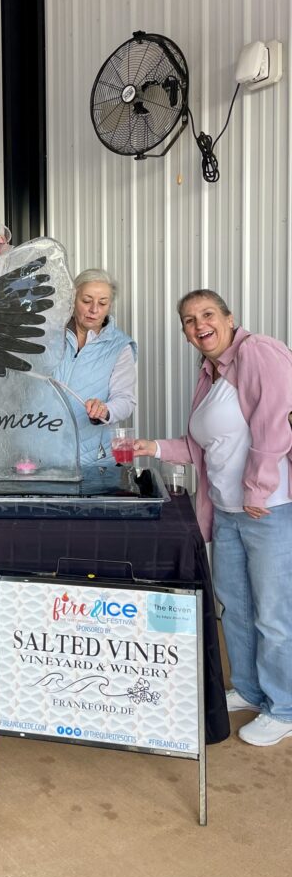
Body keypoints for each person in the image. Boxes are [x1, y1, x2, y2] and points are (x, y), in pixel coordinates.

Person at [133, 289, 292, 747]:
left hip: (268, 509)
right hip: (226, 512)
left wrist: (258, 487)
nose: (198, 324)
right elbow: (202, 447)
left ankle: (283, 706)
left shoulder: (258, 352)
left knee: (275, 615)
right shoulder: (209, 375)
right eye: (188, 320)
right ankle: (249, 688)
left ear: (228, 318)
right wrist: (153, 448)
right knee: (236, 610)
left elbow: (274, 423)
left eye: (206, 314)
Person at [51, 268, 137, 467]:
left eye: (103, 303)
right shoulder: (49, 336)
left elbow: (125, 400)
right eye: (87, 301)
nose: (94, 309)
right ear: (73, 299)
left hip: (92, 461)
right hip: (43, 453)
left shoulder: (119, 346)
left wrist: (105, 410)